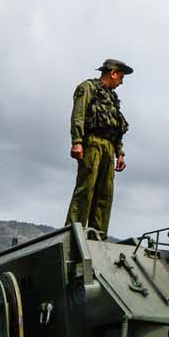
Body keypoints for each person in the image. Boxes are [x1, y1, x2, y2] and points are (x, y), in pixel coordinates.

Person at [65, 59, 132, 235]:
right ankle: (74, 234)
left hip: (109, 148)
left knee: (105, 195)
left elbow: (116, 126)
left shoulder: (112, 98)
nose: (122, 82)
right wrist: (77, 142)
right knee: (86, 189)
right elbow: (78, 115)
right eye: (121, 77)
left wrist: (120, 153)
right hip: (92, 143)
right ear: (113, 73)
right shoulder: (87, 88)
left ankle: (98, 238)